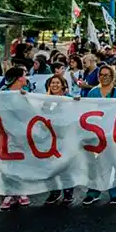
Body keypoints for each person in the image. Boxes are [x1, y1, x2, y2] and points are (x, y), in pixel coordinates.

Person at [83, 64, 116, 206]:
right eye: (102, 75)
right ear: (98, 76)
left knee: (115, 164)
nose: (104, 77)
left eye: (107, 75)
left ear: (112, 77)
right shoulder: (92, 92)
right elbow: (85, 110)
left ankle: (115, 193)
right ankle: (93, 192)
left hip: (113, 134)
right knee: (96, 165)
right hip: (97, 135)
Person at [0, 68, 31, 210]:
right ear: (18, 78)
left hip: (22, 134)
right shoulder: (2, 94)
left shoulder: (26, 93)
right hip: (5, 134)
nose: (26, 78)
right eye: (24, 76)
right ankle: (9, 192)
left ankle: (20, 190)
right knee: (8, 163)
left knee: (22, 161)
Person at [43, 74, 76, 205]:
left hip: (66, 137)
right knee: (52, 166)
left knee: (66, 165)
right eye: (52, 83)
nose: (54, 85)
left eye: (57, 83)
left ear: (63, 85)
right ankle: (54, 191)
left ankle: (68, 191)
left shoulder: (69, 100)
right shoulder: (46, 100)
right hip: (51, 138)